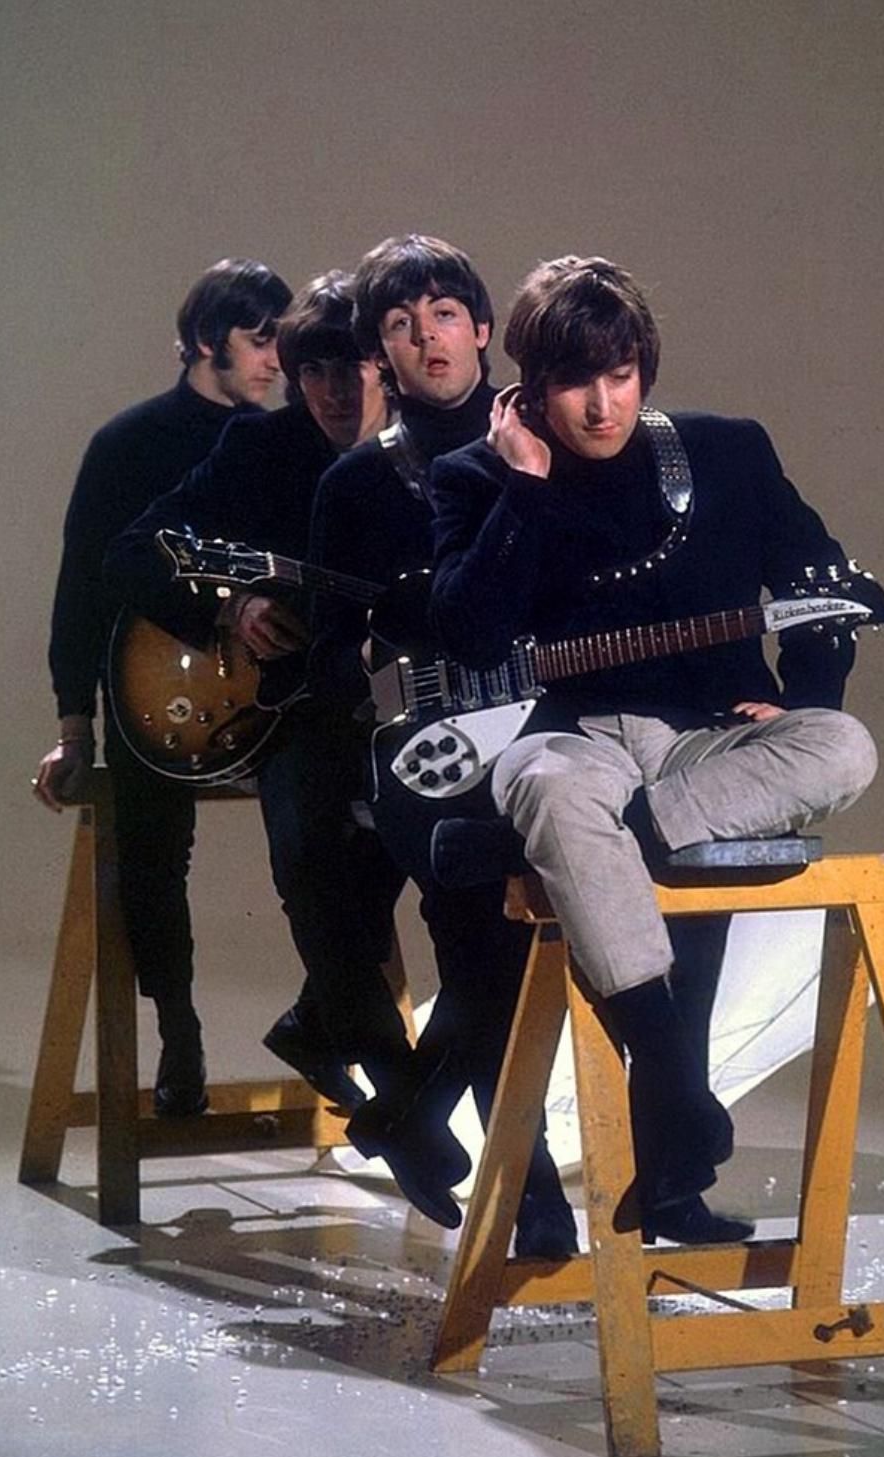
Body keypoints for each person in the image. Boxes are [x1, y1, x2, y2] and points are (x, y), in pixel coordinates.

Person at [428, 256, 880, 1238]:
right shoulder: (474, 478)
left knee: (844, 746)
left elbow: (822, 584)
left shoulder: (726, 452)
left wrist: (799, 698)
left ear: (645, 369)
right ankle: (675, 1086)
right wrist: (524, 489)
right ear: (530, 386)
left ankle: (599, 858)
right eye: (574, 382)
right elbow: (467, 636)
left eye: (621, 375)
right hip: (572, 742)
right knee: (553, 791)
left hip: (703, 751)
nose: (602, 405)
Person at [104, 272, 428, 1147]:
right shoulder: (259, 447)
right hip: (288, 711)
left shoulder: (422, 455)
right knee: (311, 838)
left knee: (422, 825)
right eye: (313, 369)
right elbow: (131, 551)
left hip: (395, 707)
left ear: (386, 363)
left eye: (353, 364)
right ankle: (395, 1078)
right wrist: (230, 609)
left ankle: (322, 1026)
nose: (335, 388)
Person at [308, 235, 577, 1251]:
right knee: (479, 950)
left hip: (553, 733)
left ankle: (412, 1113)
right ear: (379, 350)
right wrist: (383, 657)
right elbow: (329, 659)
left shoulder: (549, 441)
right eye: (399, 323)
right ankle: (534, 1198)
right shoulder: (354, 485)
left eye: (444, 314)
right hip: (427, 754)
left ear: (480, 325)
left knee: (502, 968)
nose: (427, 337)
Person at [33, 258, 292, 1117]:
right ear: (209, 340)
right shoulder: (126, 444)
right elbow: (81, 589)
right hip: (150, 691)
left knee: (330, 820)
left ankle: (338, 1022)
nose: (276, 361)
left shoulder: (276, 444)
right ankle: (178, 1028)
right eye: (261, 341)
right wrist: (75, 728)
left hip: (267, 691)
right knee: (150, 846)